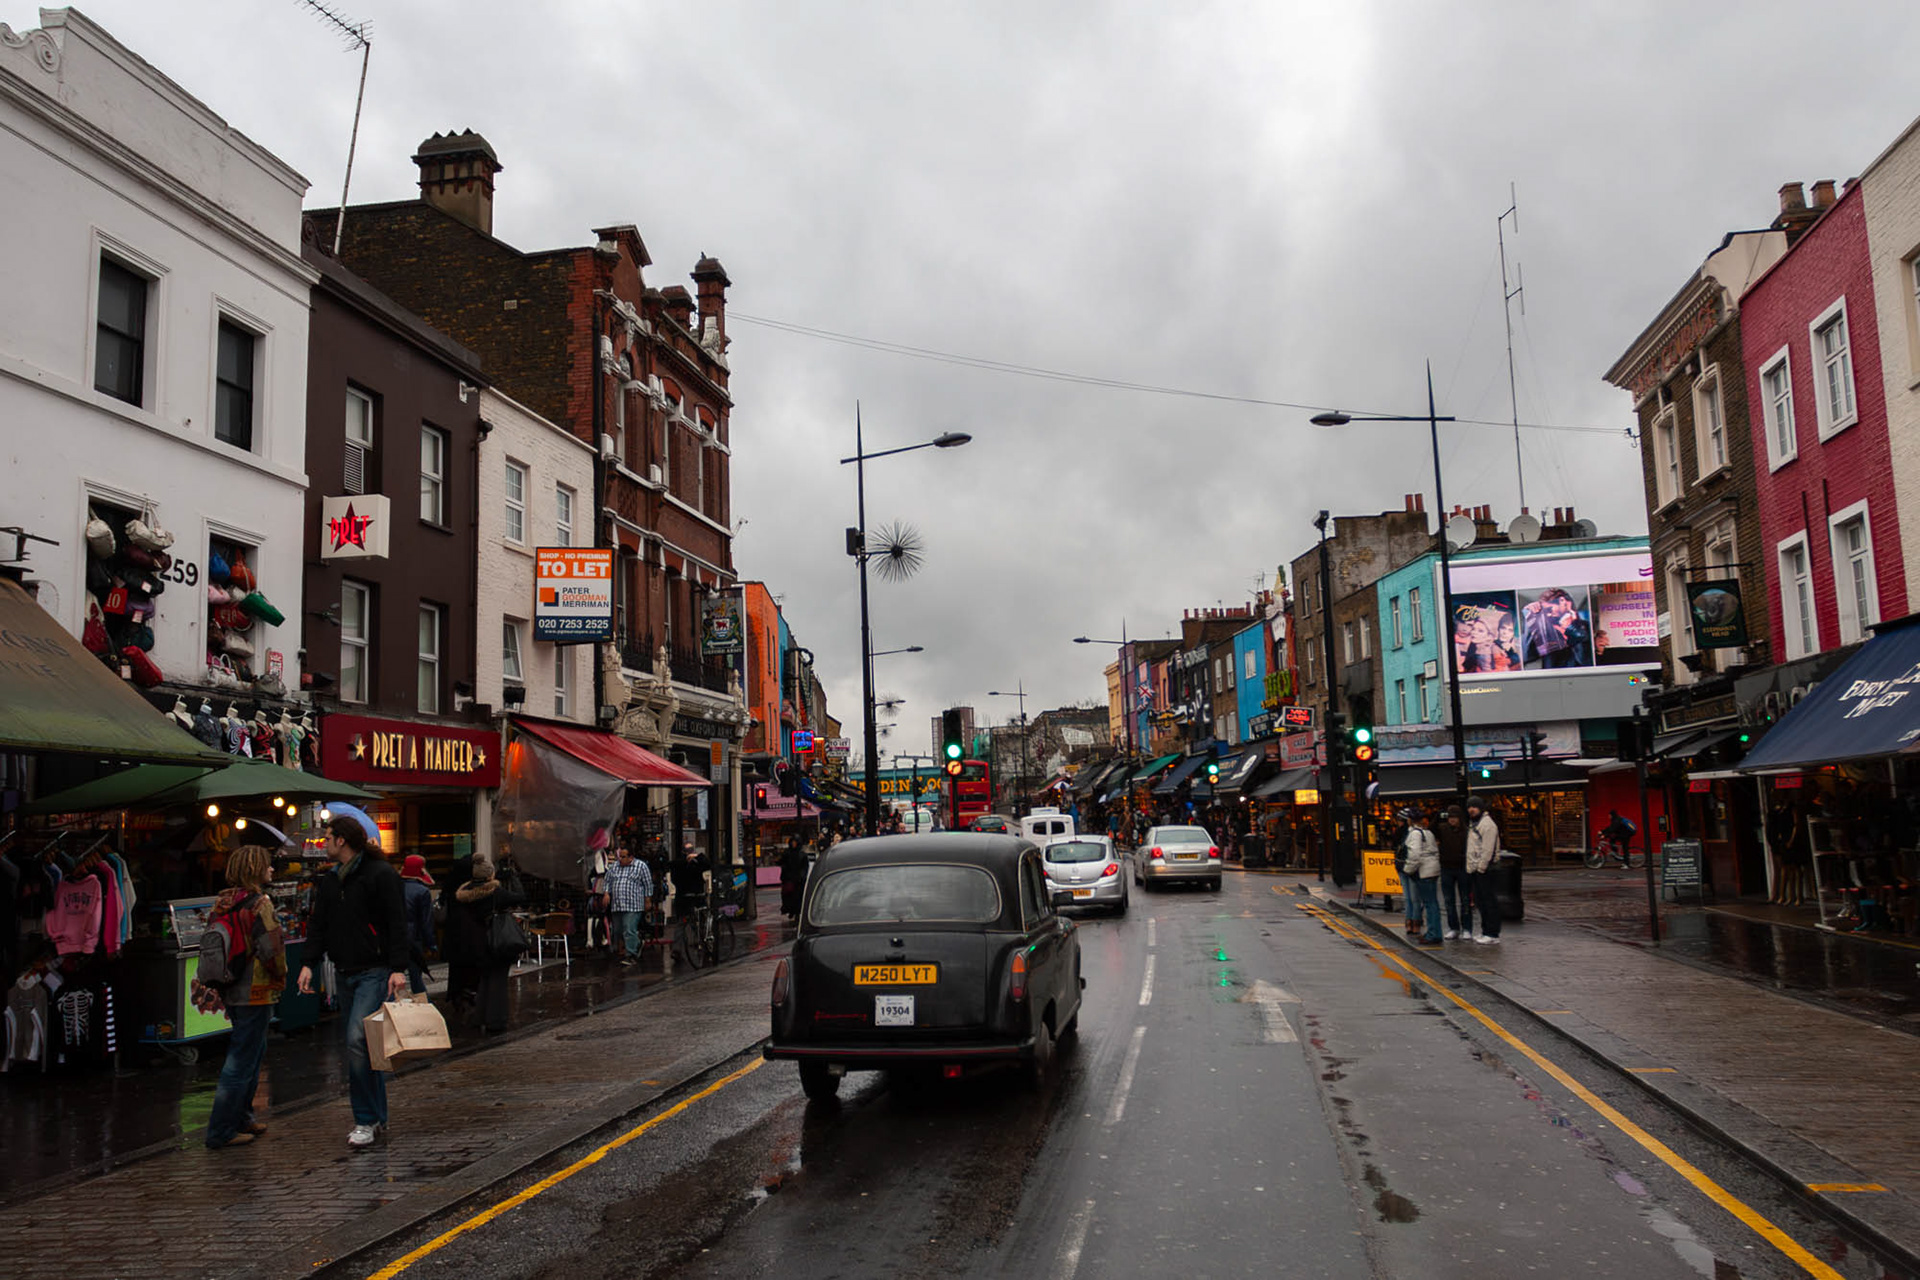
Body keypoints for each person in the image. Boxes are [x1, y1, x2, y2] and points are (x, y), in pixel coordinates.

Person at [297, 816, 409, 1150]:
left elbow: (397, 922)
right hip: (344, 970)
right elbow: (318, 924)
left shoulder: (380, 874)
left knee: (357, 1041)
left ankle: (364, 1119)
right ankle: (377, 1116)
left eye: (327, 837)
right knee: (367, 1046)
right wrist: (308, 963)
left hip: (374, 970)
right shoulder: (331, 880)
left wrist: (398, 968)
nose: (324, 843)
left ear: (342, 840)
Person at [199, 845, 285, 1150]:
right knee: (241, 1060)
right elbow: (271, 949)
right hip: (255, 989)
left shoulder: (221, 903)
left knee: (251, 1054)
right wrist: (281, 975)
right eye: (267, 864)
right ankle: (221, 1130)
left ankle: (243, 1118)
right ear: (254, 869)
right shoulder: (260, 904)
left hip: (230, 986)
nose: (271, 869)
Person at [446, 855, 527, 1033]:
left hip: (474, 942)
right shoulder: (495, 892)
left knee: (484, 979)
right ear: (490, 874)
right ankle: (496, 1020)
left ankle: (480, 1017)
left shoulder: (464, 893)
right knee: (498, 980)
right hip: (495, 940)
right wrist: (513, 878)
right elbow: (520, 897)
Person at [602, 845, 652, 966]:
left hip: (633, 905)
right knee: (618, 930)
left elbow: (648, 884)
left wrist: (647, 900)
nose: (621, 859)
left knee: (629, 929)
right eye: (620, 856)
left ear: (631, 857)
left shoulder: (641, 866)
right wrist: (606, 893)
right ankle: (637, 944)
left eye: (623, 857)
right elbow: (607, 880)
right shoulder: (615, 867)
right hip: (617, 905)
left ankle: (631, 955)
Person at [1464, 796, 1503, 944]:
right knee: (1481, 901)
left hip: (1485, 870)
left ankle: (1492, 934)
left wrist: (1481, 867)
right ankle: (1486, 931)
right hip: (1477, 869)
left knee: (1488, 901)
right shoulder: (1475, 823)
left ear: (1480, 808)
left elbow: (1488, 849)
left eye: (1474, 807)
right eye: (1469, 807)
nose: (1471, 810)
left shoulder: (1487, 825)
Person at [399, 854, 436, 994]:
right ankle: (423, 1004)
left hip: (395, 937)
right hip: (414, 939)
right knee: (416, 977)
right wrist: (431, 944)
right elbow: (426, 921)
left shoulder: (394, 886)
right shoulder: (422, 891)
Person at [1435, 805, 1473, 939]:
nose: (1452, 820)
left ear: (1460, 818)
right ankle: (1454, 928)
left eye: (1455, 817)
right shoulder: (1442, 829)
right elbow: (1432, 829)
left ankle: (1467, 928)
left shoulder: (1466, 831)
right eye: (1450, 817)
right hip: (1446, 868)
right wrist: (1438, 816)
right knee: (1449, 900)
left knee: (1465, 900)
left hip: (1462, 868)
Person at [1391, 811, 1420, 934]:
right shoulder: (1413, 833)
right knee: (1414, 898)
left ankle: (1410, 922)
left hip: (1406, 866)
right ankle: (1414, 922)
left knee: (1409, 897)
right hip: (1408, 867)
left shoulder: (1408, 833)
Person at [671, 840, 711, 921]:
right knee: (683, 920)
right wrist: (686, 860)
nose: (689, 852)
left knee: (702, 916)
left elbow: (708, 865)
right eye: (687, 850)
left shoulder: (698, 862)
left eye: (691, 850)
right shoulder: (679, 863)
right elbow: (674, 873)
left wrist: (698, 857)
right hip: (684, 896)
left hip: (698, 895)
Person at [779, 834, 809, 921]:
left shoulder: (802, 855)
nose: (793, 844)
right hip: (789, 879)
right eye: (792, 842)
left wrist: (802, 876)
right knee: (789, 896)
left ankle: (797, 912)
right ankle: (791, 911)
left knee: (797, 897)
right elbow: (782, 863)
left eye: (795, 842)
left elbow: (804, 867)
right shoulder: (787, 853)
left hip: (798, 880)